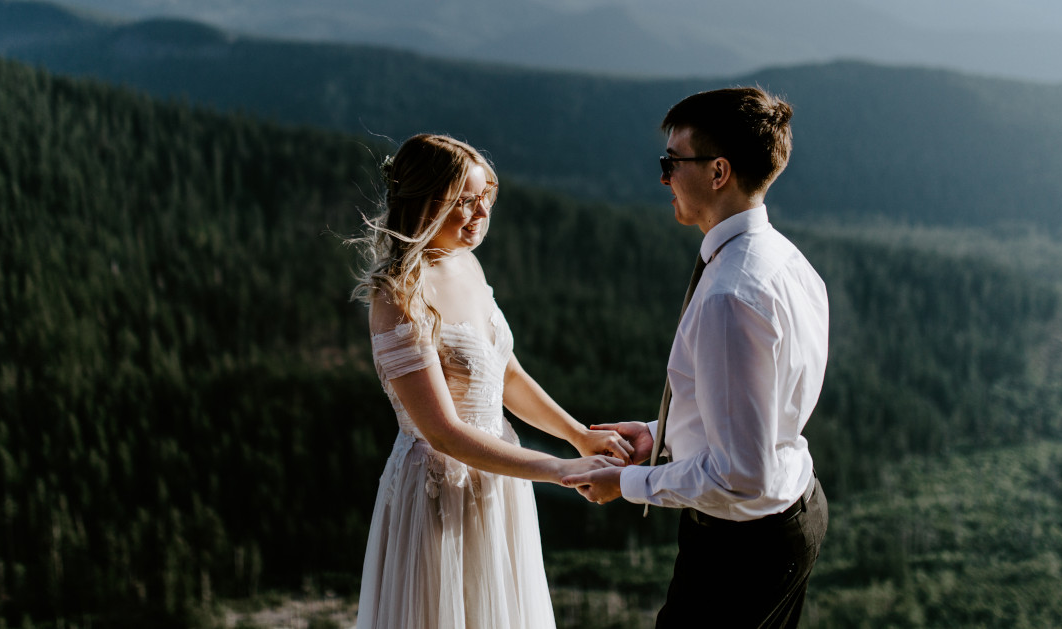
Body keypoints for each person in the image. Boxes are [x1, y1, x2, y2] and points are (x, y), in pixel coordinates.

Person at [563, 87, 830, 629]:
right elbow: (755, 412)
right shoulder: (786, 259)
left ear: (718, 172)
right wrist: (659, 436)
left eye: (672, 162)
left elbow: (740, 475)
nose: (663, 178)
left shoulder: (730, 295)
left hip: (740, 548)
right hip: (790, 512)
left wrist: (626, 484)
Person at [352, 133, 629, 629]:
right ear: (422, 202)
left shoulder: (467, 264)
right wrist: (561, 469)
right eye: (464, 202)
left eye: (486, 199)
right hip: (439, 488)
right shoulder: (398, 295)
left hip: (499, 476)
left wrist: (579, 434)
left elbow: (508, 374)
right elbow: (442, 431)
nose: (481, 214)